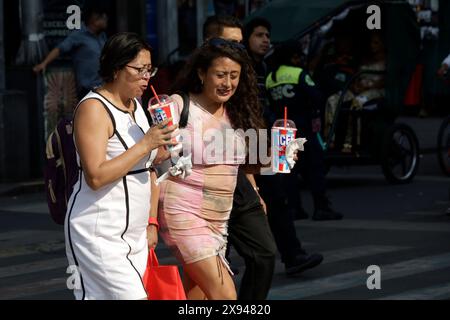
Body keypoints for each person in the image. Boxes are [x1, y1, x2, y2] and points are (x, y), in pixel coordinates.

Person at [65, 32, 177, 300]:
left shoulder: (136, 106)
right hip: (99, 232)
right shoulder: (94, 108)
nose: (146, 77)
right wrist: (146, 144)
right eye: (139, 69)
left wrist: (152, 222)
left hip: (134, 234)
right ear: (116, 68)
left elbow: (146, 168)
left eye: (150, 69)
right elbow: (95, 175)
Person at [158, 38, 265, 300]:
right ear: (201, 73)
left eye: (234, 76)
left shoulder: (238, 110)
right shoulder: (179, 105)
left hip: (219, 218)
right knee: (225, 295)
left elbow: (240, 164)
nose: (227, 83)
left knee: (198, 295)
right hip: (182, 210)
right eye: (220, 75)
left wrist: (257, 189)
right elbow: (153, 155)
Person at [202, 15, 277, 300]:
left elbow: (250, 149)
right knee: (213, 266)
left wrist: (255, 188)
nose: (239, 50)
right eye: (231, 43)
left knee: (265, 253)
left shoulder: (242, 86)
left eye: (240, 44)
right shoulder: (187, 96)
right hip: (202, 189)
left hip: (237, 185)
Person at [245, 18, 325, 276]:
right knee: (237, 207)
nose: (265, 40)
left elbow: (263, 107)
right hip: (243, 143)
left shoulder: (263, 67)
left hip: (264, 141)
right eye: (259, 35)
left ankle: (293, 255)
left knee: (277, 199)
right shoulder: (242, 67)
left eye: (267, 35)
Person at [33, 2, 108, 99]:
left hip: (104, 88)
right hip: (88, 90)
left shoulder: (102, 37)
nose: (106, 18)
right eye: (102, 16)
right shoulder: (79, 35)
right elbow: (60, 49)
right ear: (94, 18)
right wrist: (44, 63)